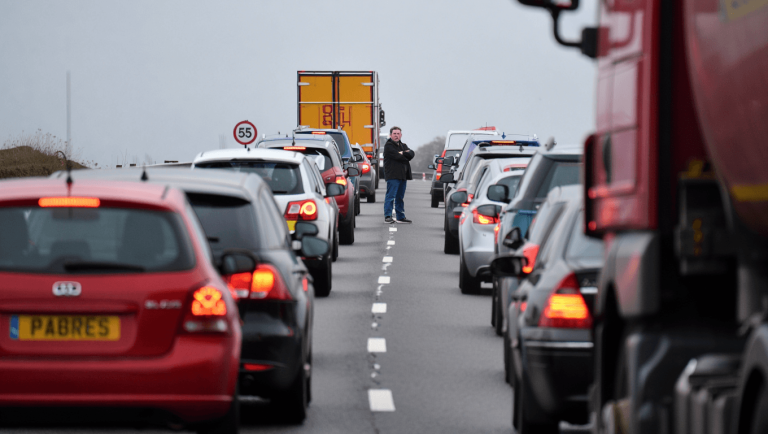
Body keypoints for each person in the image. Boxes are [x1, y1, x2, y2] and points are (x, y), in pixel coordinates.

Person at [383, 126, 415, 223]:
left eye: (398, 133)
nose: (396, 135)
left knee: (400, 197)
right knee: (390, 196)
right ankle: (388, 216)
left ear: (401, 135)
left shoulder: (403, 145)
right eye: (394, 134)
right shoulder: (388, 146)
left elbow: (411, 154)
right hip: (393, 175)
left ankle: (400, 216)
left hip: (403, 175)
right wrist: (405, 154)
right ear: (390, 135)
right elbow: (398, 157)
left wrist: (403, 153)